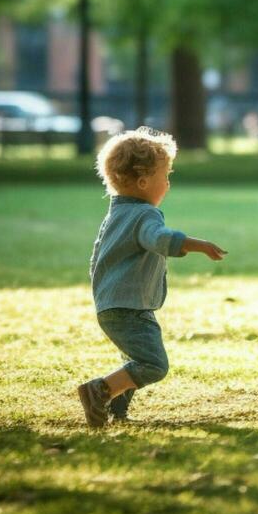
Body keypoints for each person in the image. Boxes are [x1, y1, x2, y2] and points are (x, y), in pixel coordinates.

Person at [77, 127, 226, 427]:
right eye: (166, 176)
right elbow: (157, 238)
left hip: (112, 305)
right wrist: (197, 245)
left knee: (133, 360)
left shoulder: (115, 215)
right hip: (129, 308)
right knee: (153, 364)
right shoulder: (145, 215)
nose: (168, 184)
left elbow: (97, 258)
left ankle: (115, 410)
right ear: (144, 182)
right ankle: (99, 390)